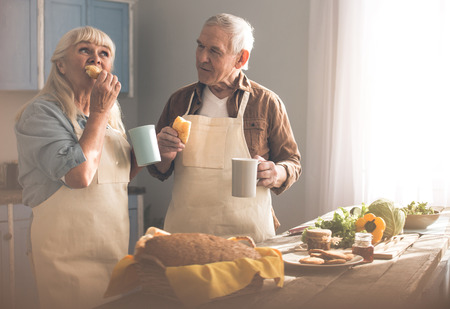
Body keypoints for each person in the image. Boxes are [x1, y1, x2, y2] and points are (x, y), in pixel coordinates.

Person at [15, 26, 141, 309]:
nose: (96, 58)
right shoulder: (41, 112)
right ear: (60, 64)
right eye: (85, 50)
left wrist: (153, 151)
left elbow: (118, 176)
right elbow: (80, 175)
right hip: (66, 258)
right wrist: (99, 112)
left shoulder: (109, 115)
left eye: (104, 53)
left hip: (113, 251)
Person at [147, 13, 301, 243]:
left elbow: (292, 162)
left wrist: (276, 173)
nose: (202, 58)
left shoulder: (266, 102)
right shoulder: (179, 100)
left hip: (249, 238)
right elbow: (158, 168)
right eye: (200, 47)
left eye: (214, 51)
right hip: (186, 235)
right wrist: (163, 154)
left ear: (241, 59)